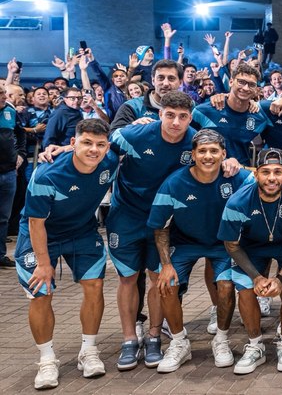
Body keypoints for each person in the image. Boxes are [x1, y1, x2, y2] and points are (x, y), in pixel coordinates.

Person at [15, 119, 118, 389]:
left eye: (100, 144)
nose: (93, 150)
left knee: (94, 285)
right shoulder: (47, 174)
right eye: (86, 143)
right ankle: (47, 359)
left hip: (82, 231)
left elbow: (133, 136)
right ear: (73, 143)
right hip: (41, 234)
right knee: (41, 292)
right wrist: (43, 263)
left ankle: (89, 351)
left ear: (107, 147)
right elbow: (36, 223)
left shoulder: (110, 161)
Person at [147, 129, 257, 373]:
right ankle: (178, 342)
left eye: (214, 151)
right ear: (193, 155)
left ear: (223, 154)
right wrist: (165, 265)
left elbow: (266, 179)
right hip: (185, 242)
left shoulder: (235, 177)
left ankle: (221, 339)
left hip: (223, 244)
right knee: (167, 284)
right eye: (203, 151)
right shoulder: (174, 183)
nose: (208, 156)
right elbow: (161, 229)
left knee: (226, 286)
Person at [105, 91, 198, 371]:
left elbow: (216, 161)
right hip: (126, 216)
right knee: (128, 278)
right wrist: (62, 149)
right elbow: (97, 148)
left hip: (165, 221)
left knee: (160, 279)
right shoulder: (132, 135)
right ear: (160, 114)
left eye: (182, 117)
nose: (175, 122)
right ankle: (130, 339)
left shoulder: (194, 141)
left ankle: (155, 336)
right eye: (170, 115)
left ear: (190, 118)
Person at [217, 148, 282, 374]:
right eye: (266, 172)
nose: (272, 178)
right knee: (247, 289)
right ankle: (255, 345)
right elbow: (231, 245)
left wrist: (280, 278)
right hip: (251, 248)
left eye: (278, 172)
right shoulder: (238, 201)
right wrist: (257, 277)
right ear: (256, 174)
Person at [193, 62, 269, 169]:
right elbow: (186, 142)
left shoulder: (260, 118)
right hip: (207, 175)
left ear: (256, 89)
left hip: (241, 177)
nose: (246, 88)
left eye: (251, 84)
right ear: (231, 82)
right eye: (241, 82)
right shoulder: (203, 111)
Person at [109, 59, 182, 130]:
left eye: (171, 78)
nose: (165, 83)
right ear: (153, 81)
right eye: (160, 78)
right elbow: (113, 137)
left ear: (180, 82)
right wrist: (133, 128)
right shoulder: (132, 107)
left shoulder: (190, 108)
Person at [0, 85, 25, 267]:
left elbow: (20, 135)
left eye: (4, 93)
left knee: (3, 218)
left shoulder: (10, 112)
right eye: (1, 93)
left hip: (8, 173)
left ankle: (0, 255)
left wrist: (21, 154)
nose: (4, 96)